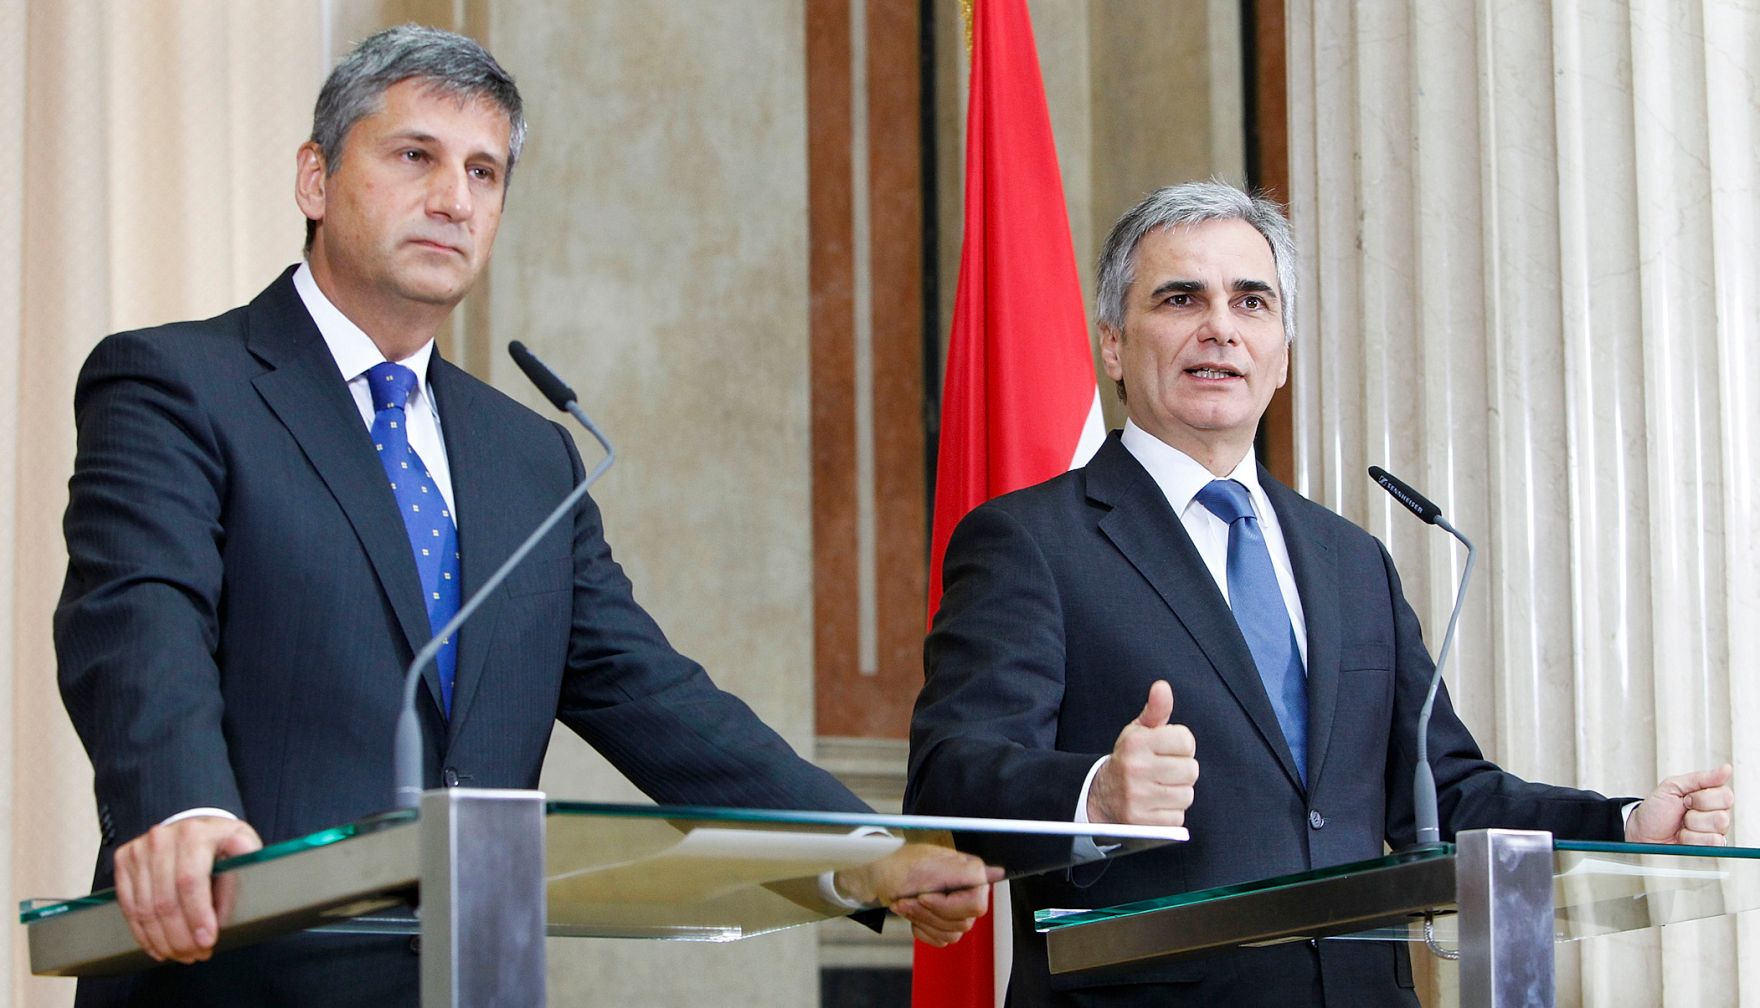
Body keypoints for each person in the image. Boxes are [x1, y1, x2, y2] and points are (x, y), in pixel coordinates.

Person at [55, 24, 990, 1007]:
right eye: (414, 156)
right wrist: (180, 808)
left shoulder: (529, 457)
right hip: (231, 971)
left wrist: (864, 849)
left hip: (472, 975)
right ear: (315, 179)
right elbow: (137, 618)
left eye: (484, 172)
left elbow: (652, 695)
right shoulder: (177, 384)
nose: (453, 200)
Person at [904, 180, 1734, 1007]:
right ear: (1114, 345)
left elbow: (1441, 792)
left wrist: (1622, 825)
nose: (1221, 326)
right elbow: (951, 778)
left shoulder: (1351, 560)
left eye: (1252, 301)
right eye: (1181, 297)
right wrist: (1097, 795)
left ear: (1283, 356)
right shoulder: (1032, 541)